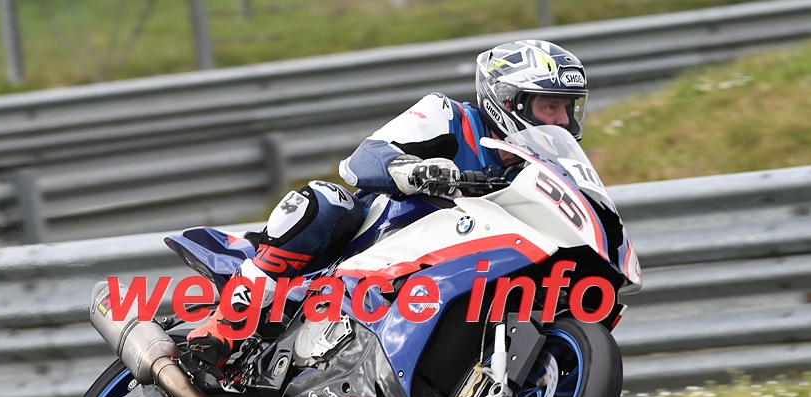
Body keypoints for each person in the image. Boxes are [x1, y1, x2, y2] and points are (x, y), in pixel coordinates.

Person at [187, 39, 589, 368]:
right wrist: (412, 170)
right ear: (509, 101)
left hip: (448, 273)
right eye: (549, 106)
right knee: (326, 201)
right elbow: (361, 160)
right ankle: (226, 324)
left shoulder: (538, 174)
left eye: (567, 108)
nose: (561, 121)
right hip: (374, 246)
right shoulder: (449, 116)